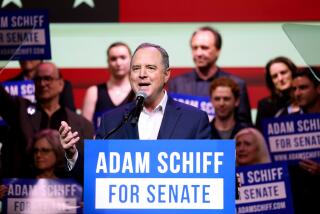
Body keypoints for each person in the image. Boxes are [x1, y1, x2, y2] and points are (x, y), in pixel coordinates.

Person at [59, 43, 212, 180]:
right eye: (136, 68)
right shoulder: (111, 121)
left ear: (166, 74)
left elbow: (209, 175)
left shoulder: (194, 119)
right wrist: (72, 155)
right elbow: (93, 176)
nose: (142, 74)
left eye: (150, 68)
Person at [0, 62, 94, 178]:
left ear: (61, 84)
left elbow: (87, 165)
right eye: (38, 79)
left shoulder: (82, 125)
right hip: (24, 189)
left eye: (48, 78)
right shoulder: (20, 110)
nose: (42, 83)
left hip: (67, 191)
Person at [168, 26, 252, 126]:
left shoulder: (236, 84)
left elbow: (245, 127)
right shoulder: (177, 84)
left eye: (204, 48)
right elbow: (171, 122)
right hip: (187, 141)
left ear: (218, 50)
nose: (198, 53)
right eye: (195, 48)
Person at [82, 42, 135, 125]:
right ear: (108, 62)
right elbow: (85, 130)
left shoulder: (139, 93)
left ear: (131, 60)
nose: (118, 63)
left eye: (123, 57)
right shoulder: (93, 92)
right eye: (113, 58)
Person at [7, 60, 76, 111]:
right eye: (37, 79)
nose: (42, 84)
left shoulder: (63, 86)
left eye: (47, 79)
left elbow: (71, 119)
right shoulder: (7, 87)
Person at [256, 56, 299, 131]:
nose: (280, 79)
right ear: (271, 81)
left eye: (283, 73)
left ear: (293, 72)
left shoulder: (308, 99)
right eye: (274, 76)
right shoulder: (265, 105)